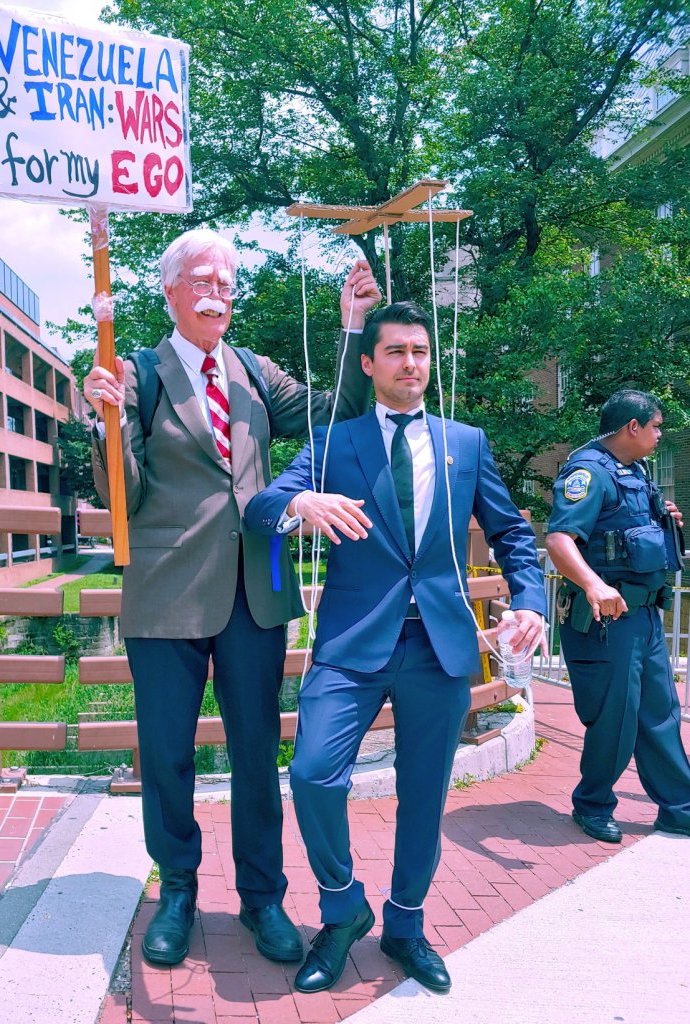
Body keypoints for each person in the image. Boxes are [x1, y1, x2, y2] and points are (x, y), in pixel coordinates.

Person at [84, 228, 380, 967]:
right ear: (171, 291)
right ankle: (177, 890)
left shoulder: (253, 371)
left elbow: (334, 410)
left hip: (256, 588)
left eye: (227, 283)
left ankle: (261, 896)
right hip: (166, 595)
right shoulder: (138, 372)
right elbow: (121, 493)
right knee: (168, 755)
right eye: (204, 282)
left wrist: (353, 325)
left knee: (256, 752)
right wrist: (107, 420)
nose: (218, 294)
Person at [243, 301, 547, 994]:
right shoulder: (333, 440)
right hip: (351, 645)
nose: (411, 363)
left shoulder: (464, 442)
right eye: (397, 352)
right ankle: (342, 908)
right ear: (369, 363)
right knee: (314, 775)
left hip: (438, 647)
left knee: (422, 795)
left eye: (420, 351)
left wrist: (528, 601)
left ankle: (405, 926)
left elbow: (511, 534)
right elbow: (260, 506)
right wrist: (300, 506)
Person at [546, 389, 690, 844]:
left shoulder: (635, 472)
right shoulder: (588, 472)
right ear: (633, 427)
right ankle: (592, 804)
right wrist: (594, 584)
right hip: (606, 620)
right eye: (656, 426)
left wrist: (664, 520)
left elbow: (625, 532)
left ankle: (679, 808)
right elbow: (559, 540)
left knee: (660, 713)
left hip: (643, 616)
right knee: (616, 717)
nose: (660, 433)